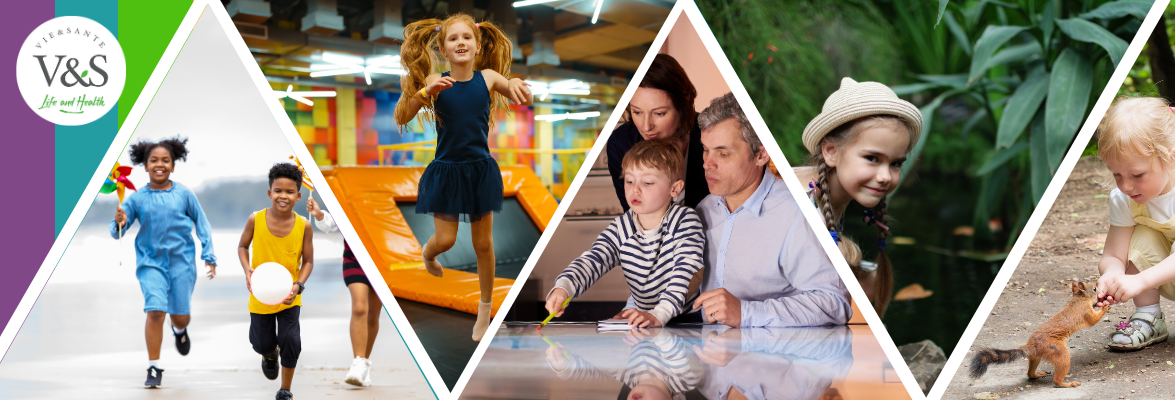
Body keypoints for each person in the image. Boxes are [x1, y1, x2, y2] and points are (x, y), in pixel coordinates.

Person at [393, 13, 533, 341]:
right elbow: (402, 115)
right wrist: (423, 91)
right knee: (446, 241)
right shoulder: (436, 80)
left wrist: (513, 84)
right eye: (453, 38)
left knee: (483, 244)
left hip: (480, 170)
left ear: (478, 44)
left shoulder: (487, 77)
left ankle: (485, 308)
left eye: (466, 37)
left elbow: (510, 87)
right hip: (447, 171)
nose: (461, 43)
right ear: (443, 48)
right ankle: (428, 254)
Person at [690, 92, 851, 327]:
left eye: (723, 153)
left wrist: (746, 313)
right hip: (704, 353)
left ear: (761, 154)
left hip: (774, 358)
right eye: (706, 150)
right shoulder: (703, 210)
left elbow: (835, 303)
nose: (707, 163)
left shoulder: (796, 213)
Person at [793, 77, 923, 316]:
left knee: (873, 277)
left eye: (895, 163)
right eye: (872, 158)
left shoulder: (825, 191)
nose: (885, 176)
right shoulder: (802, 207)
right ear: (831, 152)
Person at [544, 140, 706, 328]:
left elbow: (687, 271)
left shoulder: (684, 221)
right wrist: (564, 287)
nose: (635, 189)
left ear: (675, 189)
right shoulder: (622, 227)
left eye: (647, 182)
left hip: (687, 320)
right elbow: (594, 259)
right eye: (629, 181)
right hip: (644, 318)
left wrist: (659, 314)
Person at [111, 137, 216, 389]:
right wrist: (119, 221)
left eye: (165, 160)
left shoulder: (184, 194)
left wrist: (209, 255)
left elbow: (202, 224)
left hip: (182, 263)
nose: (160, 164)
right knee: (155, 310)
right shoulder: (135, 199)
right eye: (154, 160)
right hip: (150, 264)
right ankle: (154, 367)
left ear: (173, 165)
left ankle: (179, 331)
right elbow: (117, 232)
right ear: (145, 166)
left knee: (181, 317)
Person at [1093, 96, 1175, 351]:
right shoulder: (1124, 199)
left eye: (1137, 175)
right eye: (1116, 174)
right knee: (1141, 236)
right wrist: (1112, 273)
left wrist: (1139, 281)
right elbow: (1113, 254)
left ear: (1170, 158)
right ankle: (1149, 317)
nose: (1125, 185)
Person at [237, 163, 314, 400]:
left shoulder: (304, 225)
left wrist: (298, 285)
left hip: (290, 295)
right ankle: (269, 354)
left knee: (291, 340)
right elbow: (242, 246)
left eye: (290, 192)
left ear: (299, 196)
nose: (283, 196)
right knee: (261, 342)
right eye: (278, 190)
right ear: (270, 192)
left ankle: (285, 390)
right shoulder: (255, 219)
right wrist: (247, 270)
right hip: (260, 294)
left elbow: (309, 261)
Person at [607, 54, 709, 211]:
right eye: (637, 112)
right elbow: (633, 212)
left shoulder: (710, 134)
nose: (646, 126)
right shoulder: (621, 143)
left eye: (659, 113)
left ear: (683, 106)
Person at [306, 198, 382, 387]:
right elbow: (332, 225)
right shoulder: (349, 197)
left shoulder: (382, 198)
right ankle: (357, 362)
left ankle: (364, 364)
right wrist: (318, 213)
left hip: (382, 260)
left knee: (373, 316)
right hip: (354, 259)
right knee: (359, 307)